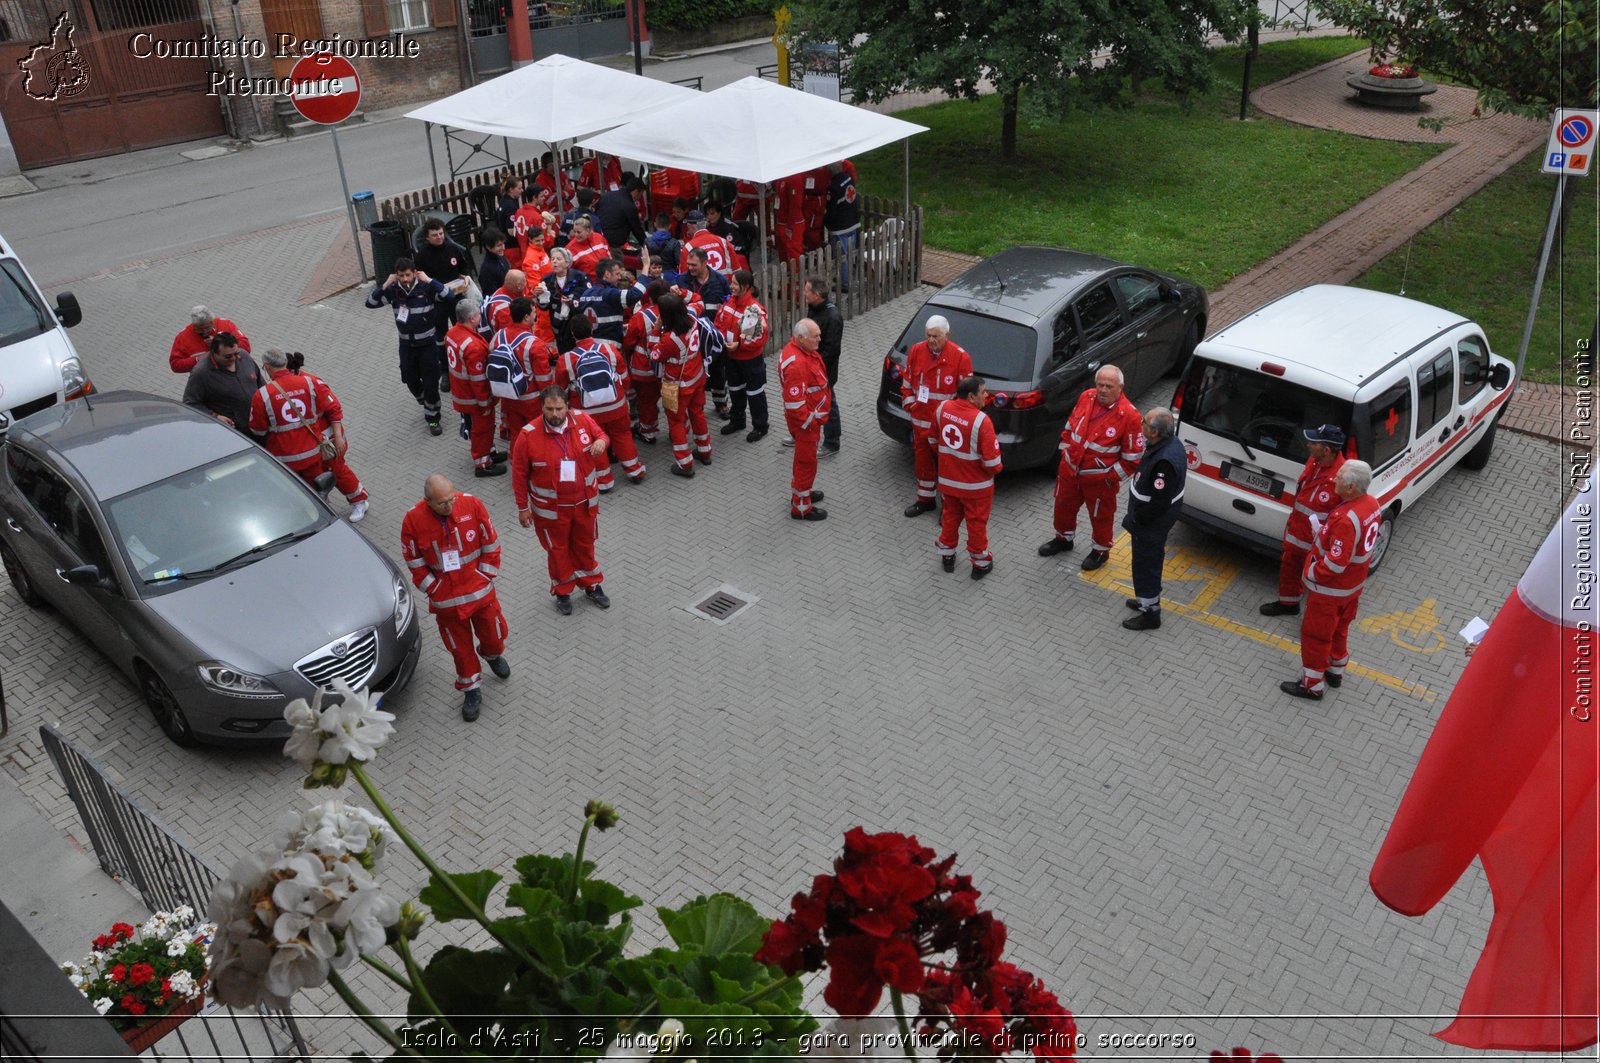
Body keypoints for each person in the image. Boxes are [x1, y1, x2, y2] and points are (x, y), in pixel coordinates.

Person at [399, 474, 510, 721]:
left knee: (495, 635)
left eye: (451, 499)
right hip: (447, 603)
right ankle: (471, 688)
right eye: (442, 503)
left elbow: (491, 542)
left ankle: (492, 654)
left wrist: (485, 575)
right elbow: (414, 561)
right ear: (428, 501)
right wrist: (433, 589)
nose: (449, 506)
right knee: (460, 651)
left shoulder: (471, 504)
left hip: (480, 593)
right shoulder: (413, 521)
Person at [1282, 459, 1382, 699]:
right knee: (1340, 630)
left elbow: (1337, 562)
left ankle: (1312, 685)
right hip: (1351, 590)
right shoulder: (1371, 504)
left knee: (1316, 635)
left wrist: (1311, 573)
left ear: (1351, 488)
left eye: (1339, 478)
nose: (1334, 480)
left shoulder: (1347, 518)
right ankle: (1336, 672)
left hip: (1330, 593)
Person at [510, 386, 613, 616]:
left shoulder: (583, 420)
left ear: (568, 406)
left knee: (585, 545)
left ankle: (591, 585)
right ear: (542, 408)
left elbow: (603, 436)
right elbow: (519, 475)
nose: (554, 414)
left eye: (559, 408)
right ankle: (563, 590)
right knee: (558, 551)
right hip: (551, 511)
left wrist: (602, 443)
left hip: (584, 504)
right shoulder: (527, 436)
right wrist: (522, 508)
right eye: (549, 409)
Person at [1038, 365, 1144, 570]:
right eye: (1100, 385)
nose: (1103, 390)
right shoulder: (1086, 397)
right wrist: (1065, 451)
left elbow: (1132, 458)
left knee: (1101, 517)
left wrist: (1109, 478)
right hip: (1069, 472)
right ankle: (1063, 539)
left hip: (1099, 481)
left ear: (1120, 387)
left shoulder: (1129, 416)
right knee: (1063, 507)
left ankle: (1100, 551)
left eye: (1109, 386)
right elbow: (1070, 427)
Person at [248, 349, 369, 522]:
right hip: (313, 442)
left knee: (336, 470)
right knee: (317, 478)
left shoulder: (310, 383)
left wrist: (337, 436)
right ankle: (324, 506)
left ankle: (359, 500)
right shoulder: (305, 384)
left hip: (326, 440)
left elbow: (334, 409)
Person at [1260, 424, 1348, 616]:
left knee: (1318, 581)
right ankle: (1288, 604)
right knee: (1289, 570)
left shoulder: (1343, 478)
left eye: (1314, 442)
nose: (1308, 445)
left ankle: (1317, 618)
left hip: (1317, 544)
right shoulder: (1314, 462)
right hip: (1296, 533)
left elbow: (1344, 516)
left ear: (1326, 450)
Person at [556, 315, 644, 488]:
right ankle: (634, 470)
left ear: (573, 334)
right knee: (622, 435)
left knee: (593, 443)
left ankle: (604, 481)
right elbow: (624, 378)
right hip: (615, 405)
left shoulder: (565, 359)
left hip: (586, 412)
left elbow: (560, 389)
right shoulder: (609, 349)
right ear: (592, 329)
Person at [900, 315, 973, 516]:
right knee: (923, 462)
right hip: (921, 421)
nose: (931, 341)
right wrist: (911, 405)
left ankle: (948, 509)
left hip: (946, 427)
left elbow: (966, 397)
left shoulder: (960, 357)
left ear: (947, 335)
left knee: (948, 468)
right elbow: (907, 384)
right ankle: (925, 500)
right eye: (929, 336)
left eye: (936, 337)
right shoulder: (916, 351)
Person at [1121, 407, 1186, 631]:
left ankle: (1150, 613)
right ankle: (1144, 600)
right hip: (1150, 523)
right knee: (1146, 564)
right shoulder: (1170, 444)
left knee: (1145, 565)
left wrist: (1137, 519)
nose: (1141, 425)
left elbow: (1159, 503)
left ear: (1156, 432)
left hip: (1149, 525)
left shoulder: (1164, 462)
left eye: (1144, 423)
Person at [365, 256, 447, 435]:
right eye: (401, 276)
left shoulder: (426, 287)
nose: (405, 279)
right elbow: (370, 304)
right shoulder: (393, 291)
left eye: (408, 275)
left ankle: (433, 419)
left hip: (427, 346)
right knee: (409, 379)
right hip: (407, 346)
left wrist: (431, 280)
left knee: (431, 382)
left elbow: (447, 295)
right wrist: (385, 285)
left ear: (415, 273)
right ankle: (423, 399)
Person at [935, 375, 1001, 578]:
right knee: (976, 525)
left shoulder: (942, 408)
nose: (987, 395)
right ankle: (980, 563)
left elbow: (932, 438)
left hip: (948, 482)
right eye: (983, 392)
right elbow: (992, 463)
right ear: (972, 396)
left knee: (949, 518)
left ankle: (947, 555)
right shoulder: (982, 421)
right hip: (975, 488)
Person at [652, 293, 712, 478]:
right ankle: (704, 450)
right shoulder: (693, 319)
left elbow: (655, 355)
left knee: (676, 421)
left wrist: (655, 331)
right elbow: (699, 300)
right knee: (697, 413)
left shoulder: (670, 338)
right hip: (697, 378)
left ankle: (684, 463)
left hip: (679, 386)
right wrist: (683, 292)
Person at [779, 318, 831, 521]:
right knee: (806, 462)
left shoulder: (801, 351)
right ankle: (801, 507)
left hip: (808, 422)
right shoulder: (797, 365)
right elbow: (794, 404)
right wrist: (811, 423)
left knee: (803, 460)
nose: (820, 338)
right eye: (815, 336)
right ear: (801, 338)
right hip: (806, 424)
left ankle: (801, 493)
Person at [445, 301, 504, 478]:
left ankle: (489, 451)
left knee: (482, 427)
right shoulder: (473, 346)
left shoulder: (452, 333)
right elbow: (478, 380)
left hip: (462, 392)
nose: (481, 317)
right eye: (478, 315)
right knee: (481, 429)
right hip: (474, 397)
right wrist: (485, 403)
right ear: (472, 318)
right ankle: (482, 464)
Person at [714, 269, 771, 442]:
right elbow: (719, 323)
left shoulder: (753, 310)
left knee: (755, 393)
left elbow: (755, 338)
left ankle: (760, 426)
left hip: (750, 361)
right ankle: (737, 421)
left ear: (745, 287)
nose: (731, 286)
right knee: (735, 390)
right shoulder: (730, 303)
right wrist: (722, 340)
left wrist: (738, 344)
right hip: (732, 358)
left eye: (734, 283)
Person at [673, 247, 730, 419]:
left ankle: (721, 403)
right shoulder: (681, 280)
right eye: (688, 264)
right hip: (691, 336)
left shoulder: (720, 281)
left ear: (705, 263)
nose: (690, 268)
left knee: (718, 370)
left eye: (694, 265)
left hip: (714, 335)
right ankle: (695, 406)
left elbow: (727, 303)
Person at [492, 296, 552, 438]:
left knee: (517, 435)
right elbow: (544, 380)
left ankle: (516, 458)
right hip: (531, 400)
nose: (535, 314)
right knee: (535, 435)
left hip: (508, 396)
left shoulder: (498, 337)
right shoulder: (535, 344)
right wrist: (551, 399)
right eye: (533, 312)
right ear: (526, 317)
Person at [182, 331, 261, 435]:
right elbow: (190, 403)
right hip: (234, 432)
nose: (234, 358)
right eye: (228, 356)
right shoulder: (201, 373)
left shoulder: (244, 356)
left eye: (236, 353)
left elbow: (261, 384)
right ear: (214, 353)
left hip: (259, 426)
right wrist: (215, 416)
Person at [803, 277, 844, 454]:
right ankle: (802, 433)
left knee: (828, 404)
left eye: (807, 290)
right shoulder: (814, 308)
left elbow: (831, 350)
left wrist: (814, 366)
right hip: (809, 365)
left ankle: (832, 442)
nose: (804, 293)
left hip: (823, 370)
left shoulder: (832, 317)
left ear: (817, 295)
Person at [624, 279, 668, 445]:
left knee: (647, 402)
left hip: (646, 368)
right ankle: (680, 430)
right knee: (674, 402)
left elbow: (628, 342)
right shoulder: (675, 310)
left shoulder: (641, 316)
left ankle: (648, 432)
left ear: (650, 297)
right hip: (671, 366)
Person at [577, 256, 648, 347]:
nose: (619, 277)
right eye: (617, 274)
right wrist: (646, 267)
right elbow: (635, 294)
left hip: (589, 346)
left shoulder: (585, 294)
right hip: (609, 347)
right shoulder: (609, 294)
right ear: (607, 274)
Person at [536, 248, 588, 352]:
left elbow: (588, 298)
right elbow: (543, 307)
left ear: (567, 262)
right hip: (558, 324)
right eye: (553, 259)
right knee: (564, 353)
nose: (554, 261)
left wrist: (572, 302)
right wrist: (542, 299)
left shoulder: (580, 277)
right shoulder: (546, 280)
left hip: (578, 321)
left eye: (558, 259)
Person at [170, 306, 250, 374]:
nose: (205, 332)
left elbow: (246, 346)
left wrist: (220, 344)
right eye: (200, 329)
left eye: (207, 327)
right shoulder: (183, 337)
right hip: (205, 382)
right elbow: (175, 365)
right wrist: (198, 359)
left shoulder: (225, 324)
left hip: (236, 374)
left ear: (212, 322)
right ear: (193, 325)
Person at [823, 160, 860, 291]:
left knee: (841, 256)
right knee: (850, 253)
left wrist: (826, 222)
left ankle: (845, 284)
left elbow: (831, 211)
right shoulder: (849, 178)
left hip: (840, 227)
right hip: (853, 223)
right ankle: (849, 278)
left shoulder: (832, 187)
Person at [596, 175, 649, 250]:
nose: (640, 197)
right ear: (636, 191)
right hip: (615, 243)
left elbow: (597, 212)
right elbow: (636, 229)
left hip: (599, 237)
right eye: (641, 194)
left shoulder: (607, 195)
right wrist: (646, 245)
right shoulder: (630, 206)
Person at [478, 227, 512, 296]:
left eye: (503, 244)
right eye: (499, 245)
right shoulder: (486, 270)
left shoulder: (501, 257)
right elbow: (491, 294)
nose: (503, 248)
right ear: (488, 247)